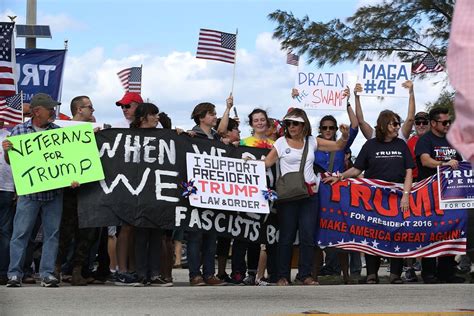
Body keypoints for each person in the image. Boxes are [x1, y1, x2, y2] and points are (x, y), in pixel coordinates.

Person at [324, 110, 414, 284]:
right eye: (394, 124)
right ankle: (372, 273)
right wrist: (340, 176)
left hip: (397, 197)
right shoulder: (370, 145)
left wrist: (406, 195)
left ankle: (395, 274)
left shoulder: (402, 145)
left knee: (396, 233)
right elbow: (357, 169)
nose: (397, 127)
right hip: (373, 198)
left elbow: (409, 171)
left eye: (398, 124)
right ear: (383, 125)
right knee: (374, 234)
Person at [264, 108, 349, 286]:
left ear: (303, 124)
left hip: (309, 195)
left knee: (308, 236)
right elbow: (267, 163)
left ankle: (305, 274)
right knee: (286, 237)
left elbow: (338, 146)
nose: (291, 126)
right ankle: (282, 276)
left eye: (295, 123)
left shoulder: (311, 141)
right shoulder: (281, 142)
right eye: (288, 123)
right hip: (288, 196)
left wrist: (345, 135)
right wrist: (245, 163)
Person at [2, 93, 79, 288]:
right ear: (37, 111)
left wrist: (74, 177)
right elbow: (11, 162)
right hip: (29, 194)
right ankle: (14, 274)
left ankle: (47, 273)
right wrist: (6, 151)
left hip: (53, 193)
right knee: (21, 234)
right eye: (50, 108)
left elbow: (68, 161)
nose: (53, 111)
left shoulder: (58, 133)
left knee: (52, 235)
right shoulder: (19, 131)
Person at [313, 85, 359, 284]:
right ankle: (312, 275)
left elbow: (355, 126)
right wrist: (297, 100)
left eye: (332, 127)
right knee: (317, 233)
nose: (329, 130)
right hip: (318, 190)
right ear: (320, 130)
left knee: (341, 231)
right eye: (325, 128)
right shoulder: (313, 143)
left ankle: (346, 275)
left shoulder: (343, 142)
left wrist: (348, 102)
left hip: (339, 191)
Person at [415, 107, 465, 284]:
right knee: (431, 231)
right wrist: (444, 163)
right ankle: (428, 273)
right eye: (444, 122)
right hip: (430, 194)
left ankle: (446, 272)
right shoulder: (425, 140)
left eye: (449, 122)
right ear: (434, 123)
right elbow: (425, 160)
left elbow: (460, 163)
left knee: (450, 231)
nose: (447, 125)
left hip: (451, 195)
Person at [55, 96, 100, 286]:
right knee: (65, 231)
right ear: (79, 109)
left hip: (89, 188)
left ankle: (77, 270)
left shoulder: (96, 131)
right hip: (68, 189)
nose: (93, 110)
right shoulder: (61, 129)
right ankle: (56, 268)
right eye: (90, 107)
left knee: (88, 232)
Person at [186, 102, 224, 286]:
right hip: (196, 192)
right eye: (211, 114)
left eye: (215, 113)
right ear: (201, 117)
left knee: (211, 235)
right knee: (195, 235)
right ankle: (195, 274)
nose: (214, 117)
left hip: (214, 193)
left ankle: (209, 273)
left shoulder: (216, 138)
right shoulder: (191, 136)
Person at [0, 120, 15, 286]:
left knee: (5, 232)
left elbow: (16, 163)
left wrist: (17, 188)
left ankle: (3, 272)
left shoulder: (10, 137)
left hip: (6, 188)